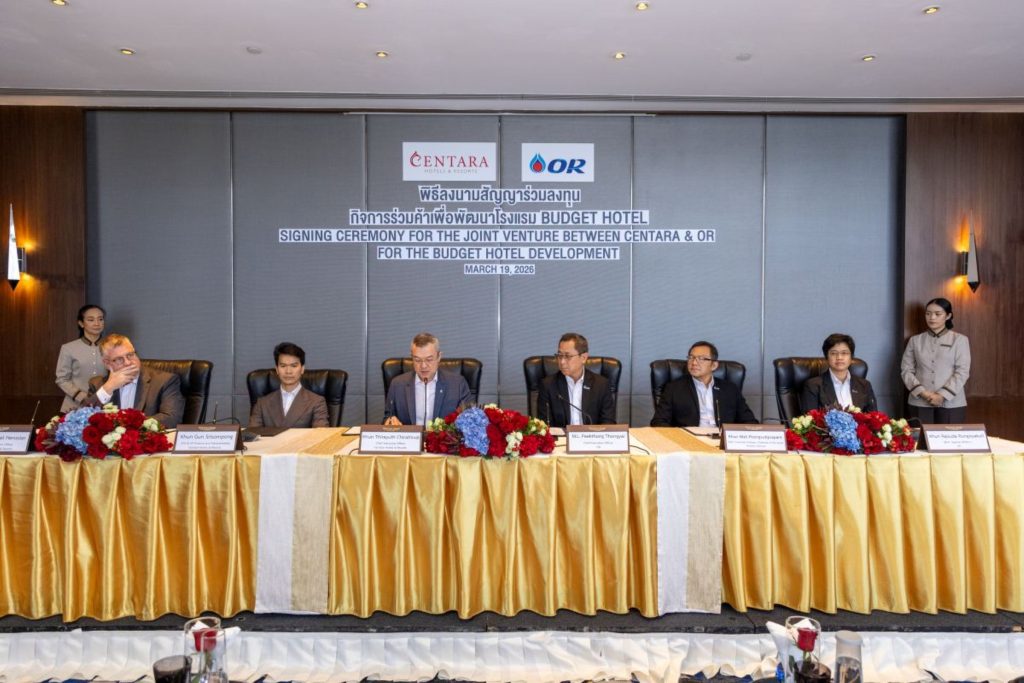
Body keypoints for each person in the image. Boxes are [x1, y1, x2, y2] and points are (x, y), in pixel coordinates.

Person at [85, 333, 185, 428]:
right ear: (107, 364)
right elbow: (83, 420)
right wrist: (109, 387)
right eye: (119, 359)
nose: (128, 363)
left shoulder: (163, 381)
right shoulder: (98, 384)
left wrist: (125, 427)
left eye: (130, 355)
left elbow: (171, 418)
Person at [651, 341, 757, 427]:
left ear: (714, 365)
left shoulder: (730, 389)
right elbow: (658, 422)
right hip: (689, 441)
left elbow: (749, 422)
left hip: (722, 441)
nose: (694, 363)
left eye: (701, 358)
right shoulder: (674, 388)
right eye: (691, 357)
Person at [900, 297, 970, 424]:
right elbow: (906, 370)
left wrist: (942, 395)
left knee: (948, 437)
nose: (932, 318)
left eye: (938, 314)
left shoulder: (960, 340)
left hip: (951, 403)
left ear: (948, 316)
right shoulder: (915, 340)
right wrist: (923, 393)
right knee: (920, 436)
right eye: (928, 313)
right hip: (919, 401)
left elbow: (962, 371)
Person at [383, 332, 472, 425]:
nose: (423, 366)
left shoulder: (457, 384)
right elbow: (387, 417)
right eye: (417, 360)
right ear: (412, 358)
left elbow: (470, 421)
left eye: (429, 359)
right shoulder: (397, 384)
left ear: (439, 357)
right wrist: (390, 422)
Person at [536, 332, 616, 428]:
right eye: (560, 355)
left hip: (592, 436)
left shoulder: (601, 385)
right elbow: (544, 426)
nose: (562, 361)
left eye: (567, 356)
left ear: (583, 358)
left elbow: (608, 423)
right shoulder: (548, 385)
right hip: (562, 437)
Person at [249, 342, 330, 428]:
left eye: (294, 366)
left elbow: (320, 434)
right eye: (283, 366)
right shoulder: (262, 404)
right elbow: (253, 435)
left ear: (302, 369)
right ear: (277, 369)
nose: (288, 371)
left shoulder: (317, 402)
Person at [800, 332, 877, 413]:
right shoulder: (813, 386)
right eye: (833, 353)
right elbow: (811, 418)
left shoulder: (864, 385)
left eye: (844, 353)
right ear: (826, 357)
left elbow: (873, 416)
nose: (839, 357)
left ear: (851, 357)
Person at [55, 304, 107, 412]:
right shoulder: (68, 348)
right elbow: (62, 379)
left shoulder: (113, 347)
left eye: (100, 319)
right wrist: (82, 397)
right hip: (75, 406)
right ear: (81, 323)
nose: (97, 323)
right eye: (91, 320)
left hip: (106, 406)